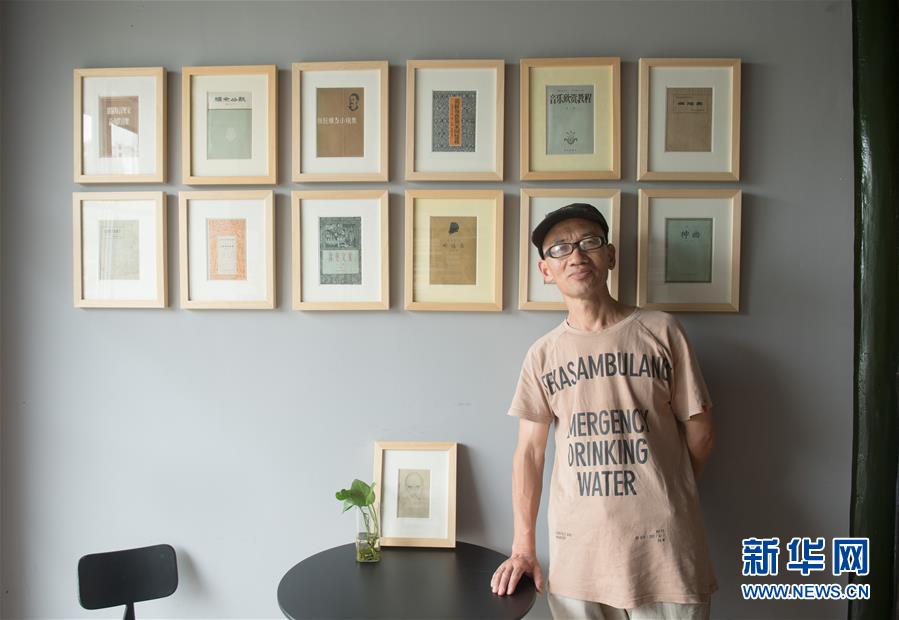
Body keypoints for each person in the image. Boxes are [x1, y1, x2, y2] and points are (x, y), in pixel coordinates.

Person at [490, 203, 717, 620]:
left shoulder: (661, 330)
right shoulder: (543, 355)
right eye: (560, 248)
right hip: (577, 558)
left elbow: (702, 432)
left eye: (588, 242)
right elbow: (529, 455)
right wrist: (523, 548)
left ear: (609, 255)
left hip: (665, 554)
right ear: (546, 270)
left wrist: (669, 491)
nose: (576, 255)